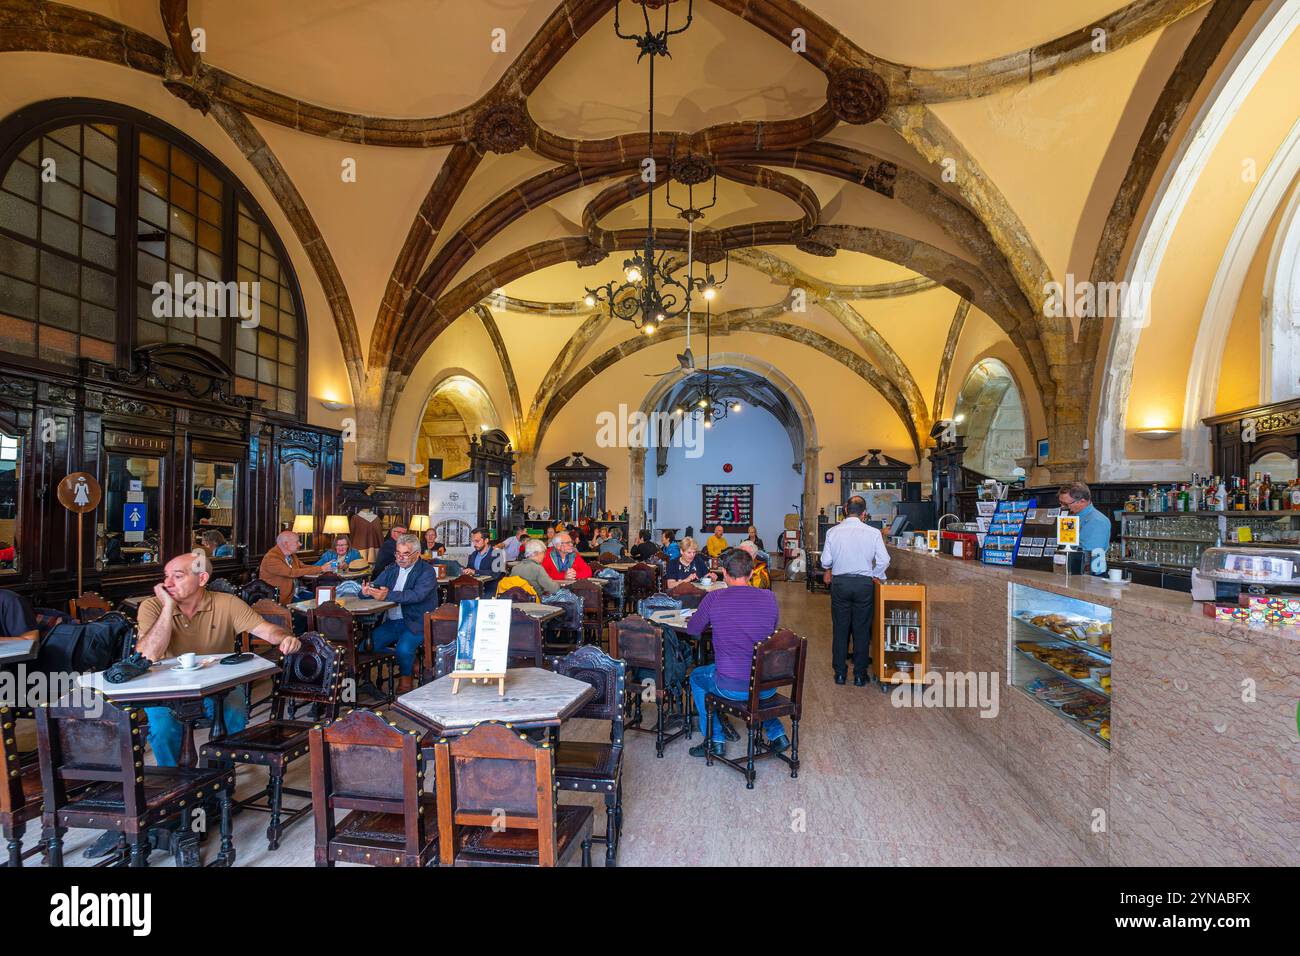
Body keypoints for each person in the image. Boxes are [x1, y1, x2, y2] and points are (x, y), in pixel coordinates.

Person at [136, 552, 301, 765]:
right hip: (165, 688)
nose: (167, 583)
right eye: (166, 576)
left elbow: (267, 630)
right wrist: (168, 608)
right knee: (163, 729)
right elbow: (148, 655)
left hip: (216, 685)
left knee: (233, 714)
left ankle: (219, 778)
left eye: (177, 576)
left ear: (202, 579)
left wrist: (285, 638)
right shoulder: (152, 606)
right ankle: (174, 785)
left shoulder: (227, 603)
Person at [686, 548, 788, 758]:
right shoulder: (769, 597)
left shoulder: (714, 598)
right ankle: (777, 734)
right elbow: (771, 630)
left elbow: (693, 629)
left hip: (731, 686)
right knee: (754, 680)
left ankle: (714, 740)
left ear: (724, 572)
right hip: (767, 685)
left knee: (697, 677)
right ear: (751, 573)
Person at [820, 495, 890, 686]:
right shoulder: (873, 532)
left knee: (840, 629)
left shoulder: (833, 532)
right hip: (863, 585)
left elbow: (825, 561)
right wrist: (874, 574)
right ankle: (859, 675)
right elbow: (884, 560)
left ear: (845, 509)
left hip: (841, 583)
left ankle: (840, 674)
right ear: (864, 513)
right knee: (862, 629)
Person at [363, 534, 438, 693]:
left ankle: (406, 677)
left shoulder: (427, 571)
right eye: (398, 553)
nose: (400, 558)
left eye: (405, 554)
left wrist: (387, 594)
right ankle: (410, 661)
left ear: (417, 554)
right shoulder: (392, 569)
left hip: (416, 622)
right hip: (392, 622)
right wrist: (366, 591)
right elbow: (376, 584)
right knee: (365, 647)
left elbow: (416, 595)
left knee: (403, 649)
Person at [1058, 481, 1112, 573]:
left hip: (1090, 575)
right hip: (1072, 570)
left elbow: (1086, 553)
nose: (1062, 507)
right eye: (1061, 503)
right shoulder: (1071, 516)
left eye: (1066, 504)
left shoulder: (1097, 521)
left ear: (1082, 501)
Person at [258, 530, 315, 602]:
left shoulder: (291, 555)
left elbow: (302, 566)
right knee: (310, 607)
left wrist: (325, 568)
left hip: (296, 591)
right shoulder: (271, 558)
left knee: (319, 598)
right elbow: (291, 573)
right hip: (280, 597)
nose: (300, 544)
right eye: (297, 542)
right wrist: (321, 568)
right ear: (286, 544)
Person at [464, 527, 501, 595]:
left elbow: (496, 574)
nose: (474, 544)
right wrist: (465, 570)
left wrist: (475, 572)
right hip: (474, 590)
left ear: (486, 540)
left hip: (490, 591)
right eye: (473, 541)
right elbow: (469, 568)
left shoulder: (497, 554)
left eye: (477, 541)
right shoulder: (473, 554)